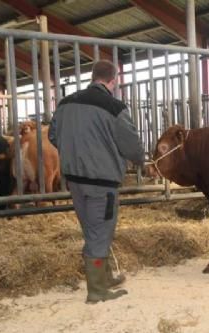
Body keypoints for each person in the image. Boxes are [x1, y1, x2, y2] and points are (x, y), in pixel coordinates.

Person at [49, 60, 145, 304]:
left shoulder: (65, 104)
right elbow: (132, 147)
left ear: (93, 77)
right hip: (102, 182)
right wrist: (140, 160)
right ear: (114, 80)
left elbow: (53, 135)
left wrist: (75, 151)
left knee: (93, 230)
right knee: (101, 231)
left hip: (75, 181)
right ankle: (97, 292)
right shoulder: (114, 107)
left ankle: (105, 277)